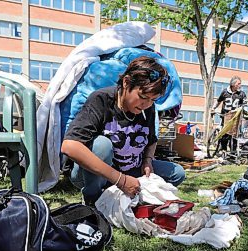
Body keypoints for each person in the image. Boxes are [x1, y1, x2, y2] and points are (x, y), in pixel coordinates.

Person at [61, 56, 186, 205]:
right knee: (101, 145)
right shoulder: (101, 100)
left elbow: (152, 140)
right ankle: (92, 200)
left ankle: (129, 197)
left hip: (130, 168)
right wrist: (120, 179)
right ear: (126, 82)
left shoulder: (148, 108)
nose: (146, 104)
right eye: (143, 97)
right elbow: (70, 146)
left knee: (177, 173)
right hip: (96, 173)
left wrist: (147, 161)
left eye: (153, 100)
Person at [211, 76, 247, 151]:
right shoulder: (225, 92)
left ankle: (232, 152)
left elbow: (245, 105)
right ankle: (223, 150)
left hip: (236, 118)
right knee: (224, 134)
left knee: (234, 135)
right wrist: (213, 108)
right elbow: (218, 101)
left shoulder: (241, 94)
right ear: (233, 84)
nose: (240, 85)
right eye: (238, 83)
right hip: (225, 117)